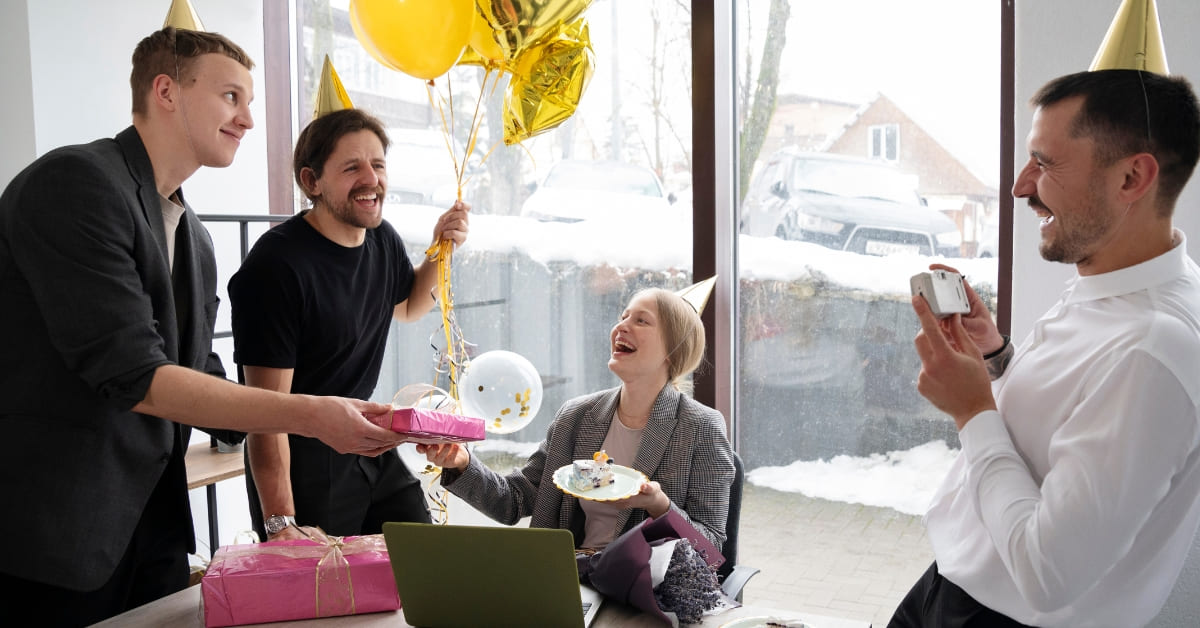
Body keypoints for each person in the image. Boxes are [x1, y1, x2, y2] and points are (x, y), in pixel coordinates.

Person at [0, 28, 403, 626]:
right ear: (166, 91)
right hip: (58, 530)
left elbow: (198, 376)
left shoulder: (195, 237)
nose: (247, 120)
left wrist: (326, 431)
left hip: (151, 528)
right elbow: (134, 375)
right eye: (231, 97)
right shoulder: (75, 183)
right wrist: (310, 415)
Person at [893, 69, 1200, 627]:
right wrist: (997, 360)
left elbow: (1046, 572)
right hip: (952, 585)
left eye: (1046, 162)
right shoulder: (1117, 282)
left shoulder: (1152, 350)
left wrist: (971, 410)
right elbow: (1067, 417)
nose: (1020, 185)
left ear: (1132, 176)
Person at [227, 106, 471, 541]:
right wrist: (281, 523)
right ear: (311, 182)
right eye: (351, 167)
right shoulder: (276, 266)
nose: (371, 179)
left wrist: (441, 249)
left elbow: (410, 306)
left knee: (423, 554)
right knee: (324, 596)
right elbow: (265, 416)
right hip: (302, 457)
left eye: (377, 165)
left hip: (366, 435)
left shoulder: (381, 238)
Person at [420, 287, 735, 551]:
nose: (621, 327)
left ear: (673, 350)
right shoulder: (575, 417)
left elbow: (709, 547)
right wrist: (461, 463)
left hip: (648, 587)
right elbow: (513, 502)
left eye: (641, 321)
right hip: (569, 579)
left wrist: (659, 506)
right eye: (623, 316)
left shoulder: (700, 427)